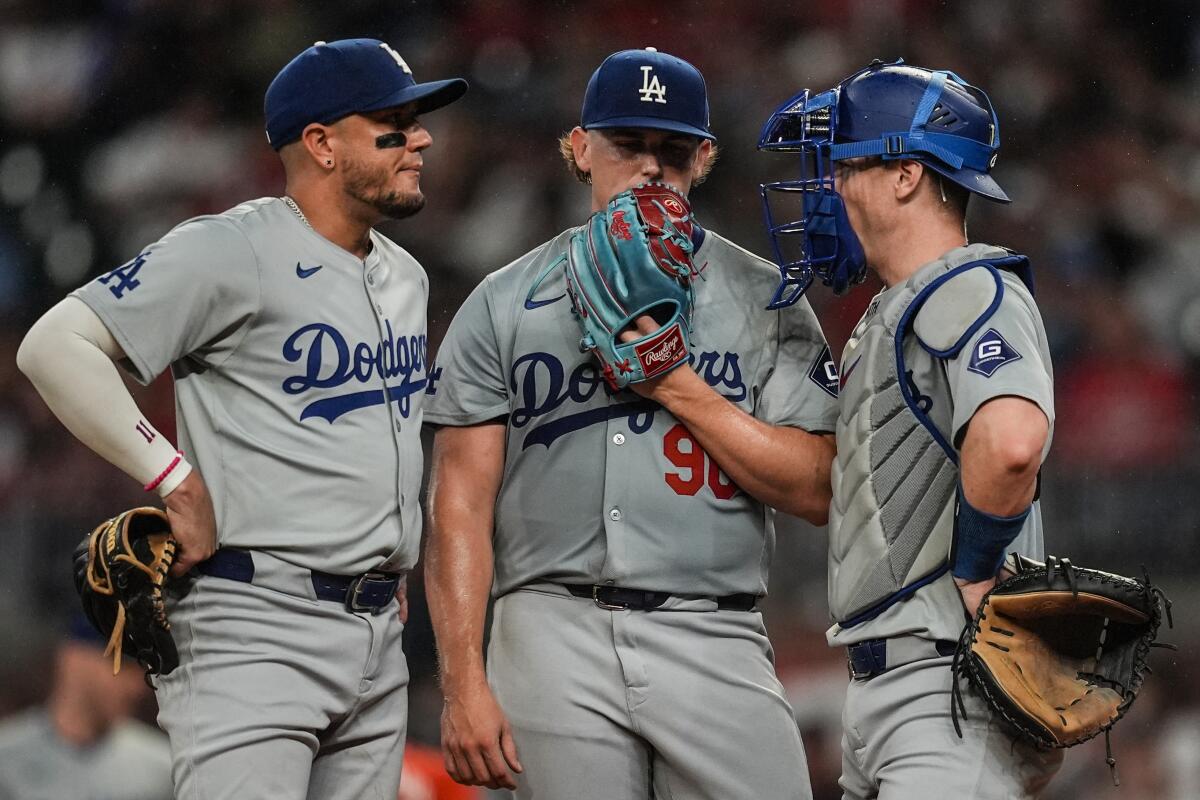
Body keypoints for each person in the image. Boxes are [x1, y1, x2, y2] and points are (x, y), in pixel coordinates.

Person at [17, 38, 466, 800]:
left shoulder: (405, 274)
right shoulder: (229, 248)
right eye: (393, 122)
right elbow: (53, 346)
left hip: (376, 632)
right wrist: (174, 478)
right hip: (255, 624)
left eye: (416, 121)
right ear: (321, 144)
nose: (420, 137)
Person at [424, 47, 838, 800]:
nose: (650, 167)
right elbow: (458, 502)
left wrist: (675, 387)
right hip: (549, 627)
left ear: (704, 157)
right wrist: (462, 683)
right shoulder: (503, 300)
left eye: (672, 151)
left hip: (714, 628)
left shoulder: (768, 299)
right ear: (580, 148)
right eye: (627, 145)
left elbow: (817, 489)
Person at [757, 59, 1063, 798]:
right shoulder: (899, 306)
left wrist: (979, 569)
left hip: (946, 684)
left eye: (845, 163)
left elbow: (1013, 439)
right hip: (892, 690)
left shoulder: (972, 285)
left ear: (905, 176)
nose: (829, 184)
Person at [0, 616, 173, 800]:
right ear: (74, 658)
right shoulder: (5, 760)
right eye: (121, 665)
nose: (137, 685)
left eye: (143, 669)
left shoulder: (164, 769)